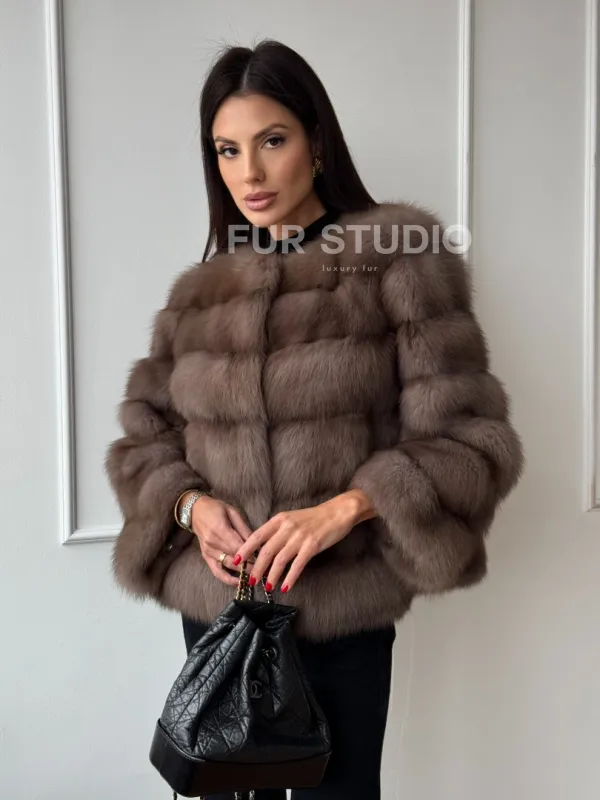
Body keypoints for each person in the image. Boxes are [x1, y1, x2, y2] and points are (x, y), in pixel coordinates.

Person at [105, 39, 524, 800]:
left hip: (340, 613)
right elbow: (143, 438)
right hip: (221, 614)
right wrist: (191, 507)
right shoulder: (199, 294)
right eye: (228, 150)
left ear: (317, 142)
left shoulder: (397, 261)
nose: (250, 174)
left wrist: (343, 509)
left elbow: (470, 440)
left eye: (272, 140)